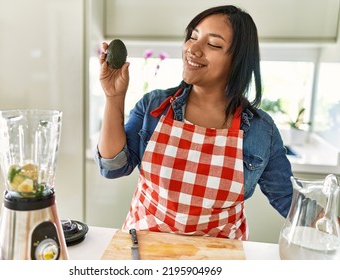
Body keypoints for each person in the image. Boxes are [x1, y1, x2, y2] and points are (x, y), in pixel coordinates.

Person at [94, 5, 293, 240]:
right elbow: (112, 168)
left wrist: (329, 225)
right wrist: (114, 97)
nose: (193, 49)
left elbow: (288, 199)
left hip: (218, 259)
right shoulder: (155, 106)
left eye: (213, 44)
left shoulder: (261, 130)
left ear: (239, 60)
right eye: (193, 36)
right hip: (147, 250)